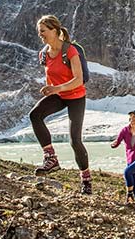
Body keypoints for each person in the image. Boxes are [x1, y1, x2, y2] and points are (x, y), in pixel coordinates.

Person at [29, 15, 92, 194]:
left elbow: (79, 80)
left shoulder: (70, 51)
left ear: (54, 30)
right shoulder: (44, 54)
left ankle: (86, 181)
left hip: (76, 97)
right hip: (59, 94)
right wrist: (50, 89)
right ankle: (51, 158)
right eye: (39, 31)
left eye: (43, 31)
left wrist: (57, 88)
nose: (40, 35)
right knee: (35, 115)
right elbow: (52, 74)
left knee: (75, 140)